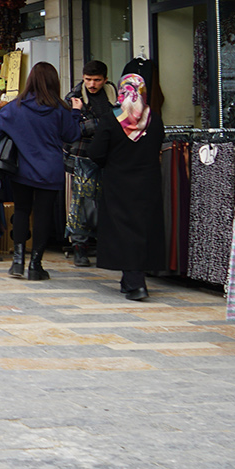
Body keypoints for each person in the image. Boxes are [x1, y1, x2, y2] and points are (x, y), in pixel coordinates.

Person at [81, 58, 166, 302]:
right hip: (148, 183)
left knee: (124, 231)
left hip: (119, 183)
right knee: (142, 229)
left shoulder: (112, 119)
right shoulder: (154, 119)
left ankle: (135, 282)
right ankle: (131, 279)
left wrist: (110, 162)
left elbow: (95, 152)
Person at [0, 62, 80, 281]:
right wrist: (76, 113)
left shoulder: (15, 108)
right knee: (43, 215)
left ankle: (18, 261)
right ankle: (36, 265)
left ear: (30, 80)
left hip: (21, 168)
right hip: (50, 170)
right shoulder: (60, 109)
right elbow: (73, 135)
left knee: (21, 211)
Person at [64, 61, 116, 266]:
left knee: (107, 202)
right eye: (88, 80)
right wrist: (107, 125)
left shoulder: (115, 94)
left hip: (110, 157)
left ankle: (104, 245)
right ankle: (79, 246)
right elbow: (73, 130)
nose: (92, 84)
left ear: (105, 79)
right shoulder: (73, 97)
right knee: (82, 204)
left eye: (96, 80)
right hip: (82, 156)